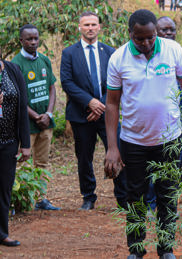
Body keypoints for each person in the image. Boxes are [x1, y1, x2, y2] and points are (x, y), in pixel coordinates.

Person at [104, 9, 182, 259]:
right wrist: (112, 147)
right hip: (133, 142)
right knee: (134, 197)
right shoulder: (118, 59)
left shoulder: (172, 49)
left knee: (168, 195)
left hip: (170, 139)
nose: (147, 43)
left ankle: (166, 249)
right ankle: (136, 250)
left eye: (151, 37)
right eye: (140, 39)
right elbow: (112, 103)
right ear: (130, 34)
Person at [60, 11, 127, 210]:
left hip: (108, 113)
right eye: (86, 25)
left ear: (99, 27)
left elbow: (118, 81)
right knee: (84, 157)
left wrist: (101, 105)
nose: (90, 28)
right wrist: (90, 102)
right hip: (81, 114)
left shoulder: (111, 52)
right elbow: (67, 82)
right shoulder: (69, 53)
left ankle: (123, 199)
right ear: (79, 28)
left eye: (93, 24)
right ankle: (88, 197)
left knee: (118, 152)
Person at [145, 16, 182, 212]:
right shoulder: (148, 52)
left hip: (179, 114)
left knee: (177, 161)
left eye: (172, 29)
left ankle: (170, 201)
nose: (169, 33)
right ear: (155, 32)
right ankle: (150, 202)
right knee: (152, 161)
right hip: (154, 117)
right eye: (164, 30)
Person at [11, 24, 60, 211]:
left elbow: (51, 88)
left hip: (45, 123)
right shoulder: (15, 64)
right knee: (23, 162)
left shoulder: (45, 61)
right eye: (29, 39)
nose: (33, 42)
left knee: (42, 162)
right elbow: (16, 96)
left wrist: (48, 113)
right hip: (27, 124)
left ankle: (42, 199)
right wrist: (35, 116)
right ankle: (22, 200)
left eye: (36, 38)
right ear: (21, 41)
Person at [0, 56, 31, 247]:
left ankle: (2, 233)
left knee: (4, 189)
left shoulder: (12, 69)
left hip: (8, 142)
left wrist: (25, 143)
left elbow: (22, 106)